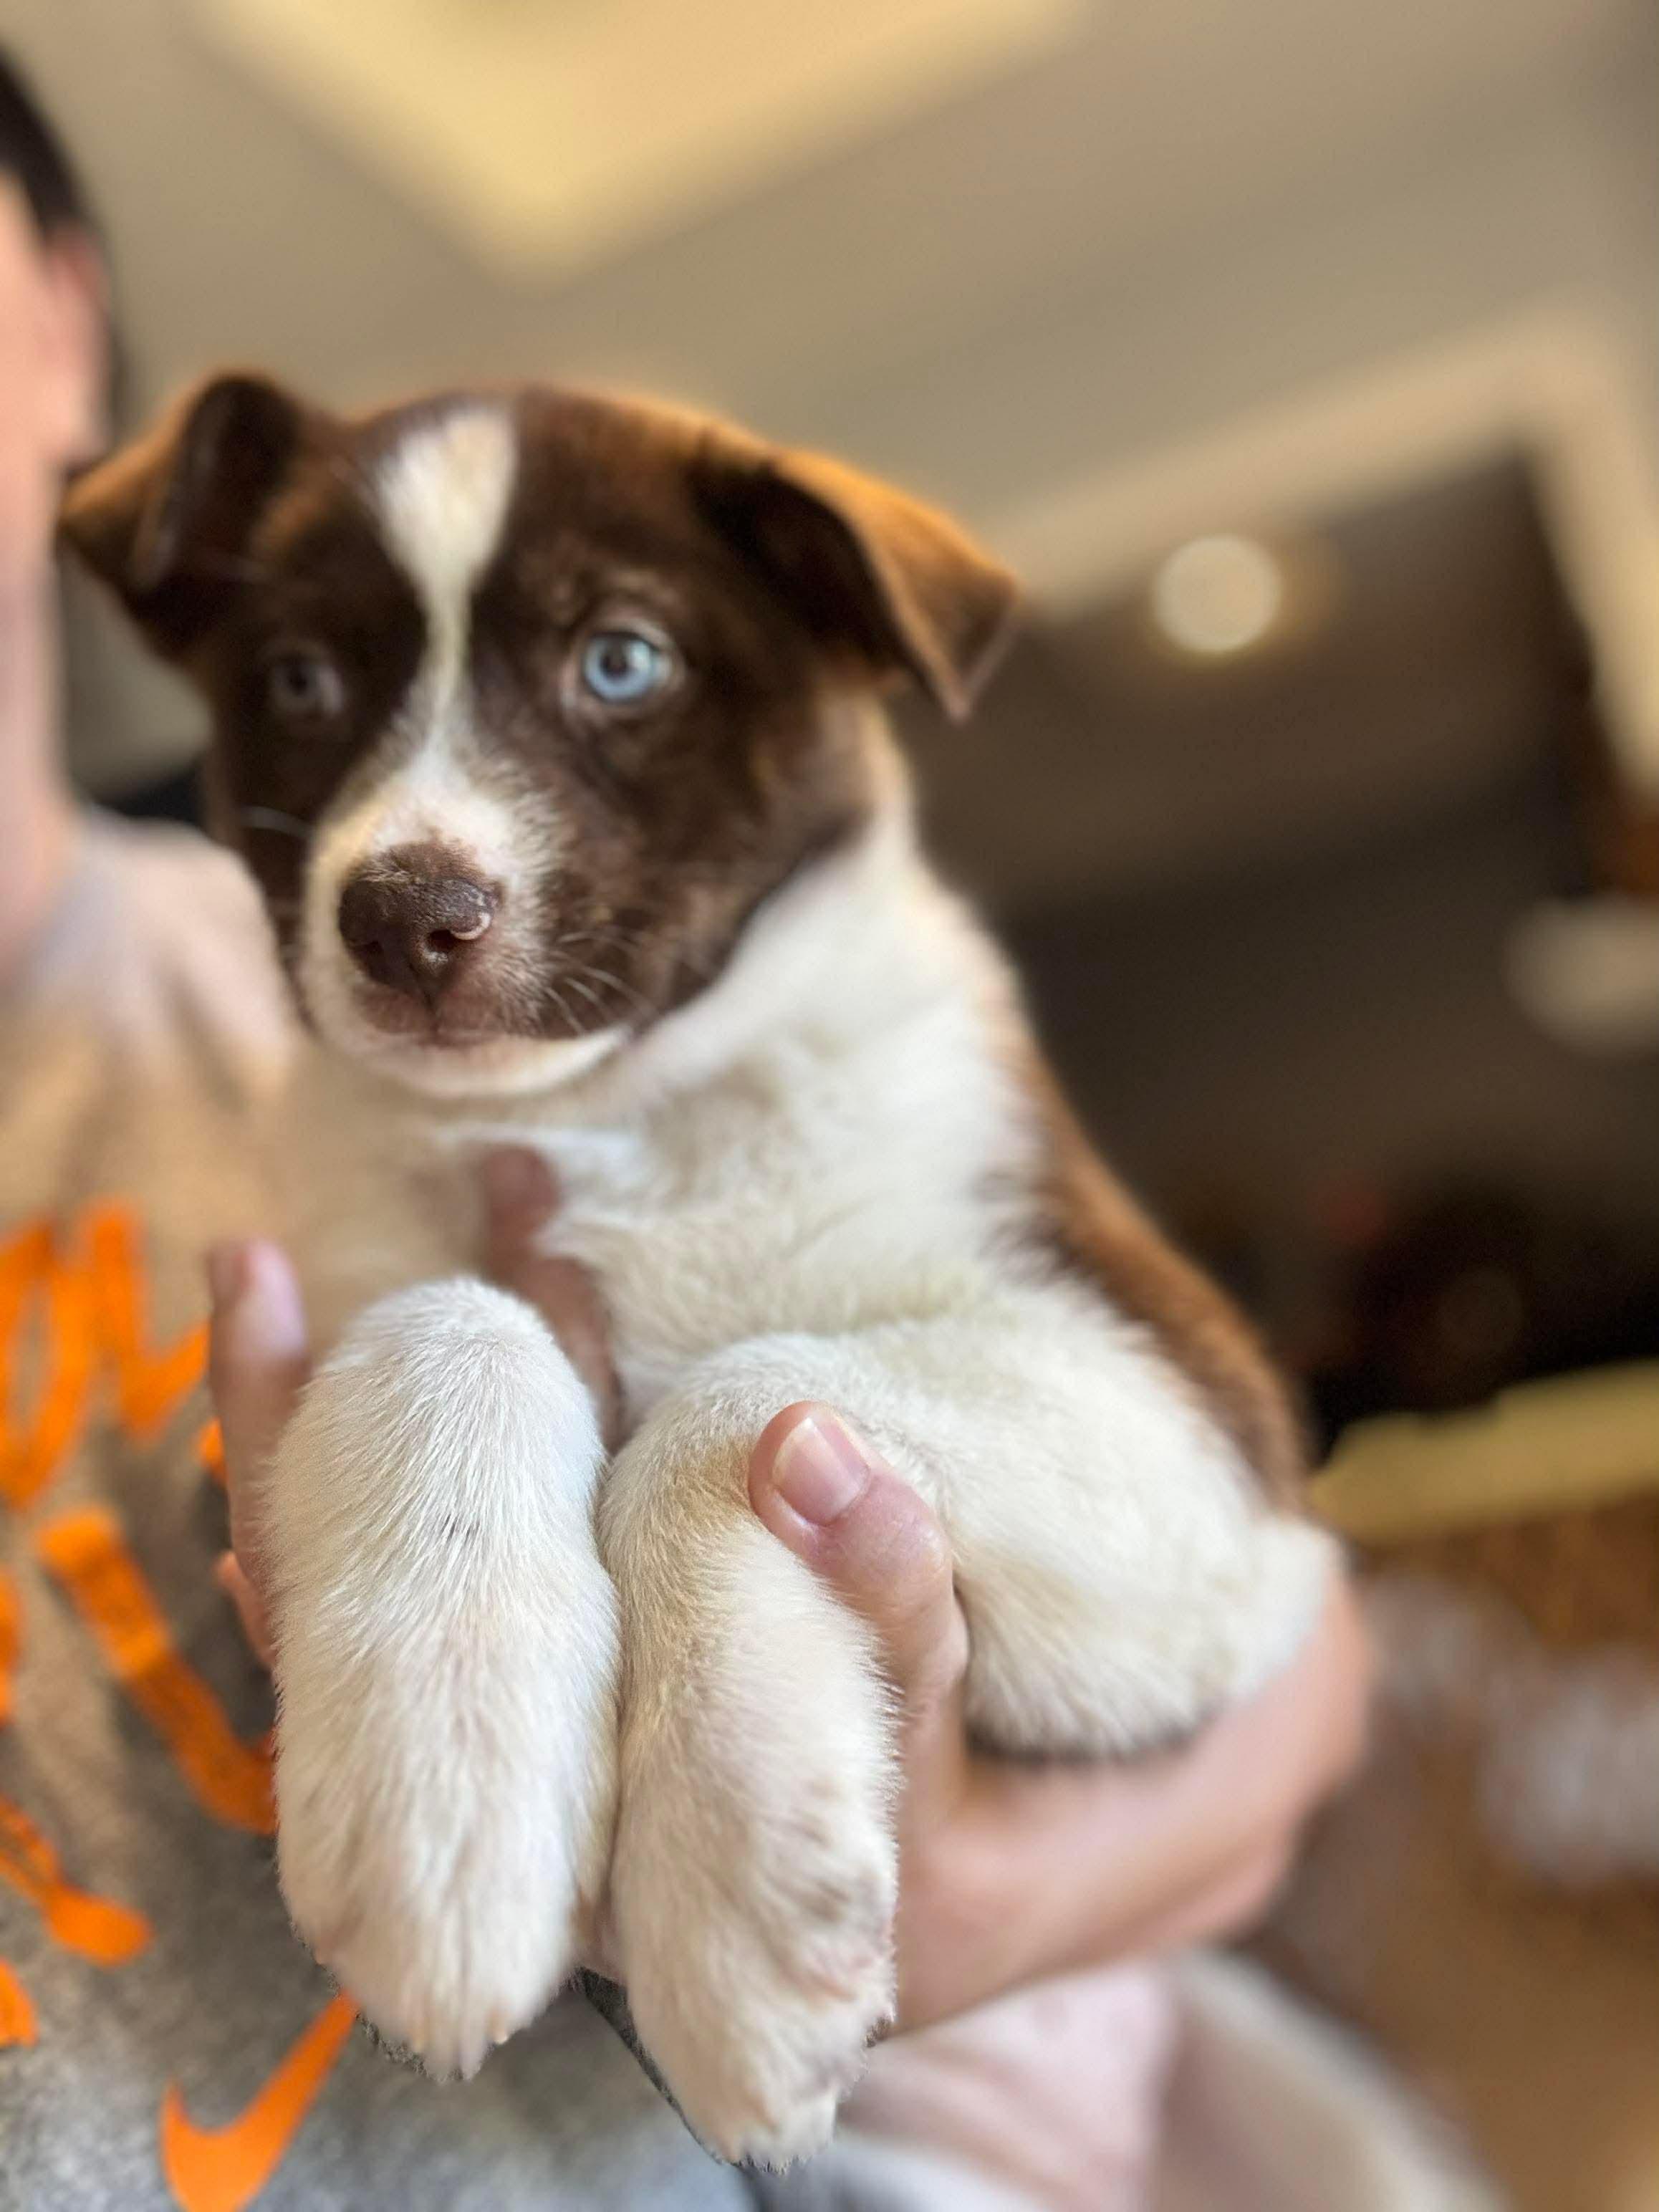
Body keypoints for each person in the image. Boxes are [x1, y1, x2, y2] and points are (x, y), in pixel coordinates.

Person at [0, 44, 1368, 2208]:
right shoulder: (309, 1102)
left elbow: (1255, 1590)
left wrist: (973, 1848)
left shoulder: (846, 1050)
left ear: (61, 308)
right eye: (307, 688)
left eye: (612, 662)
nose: (410, 836)